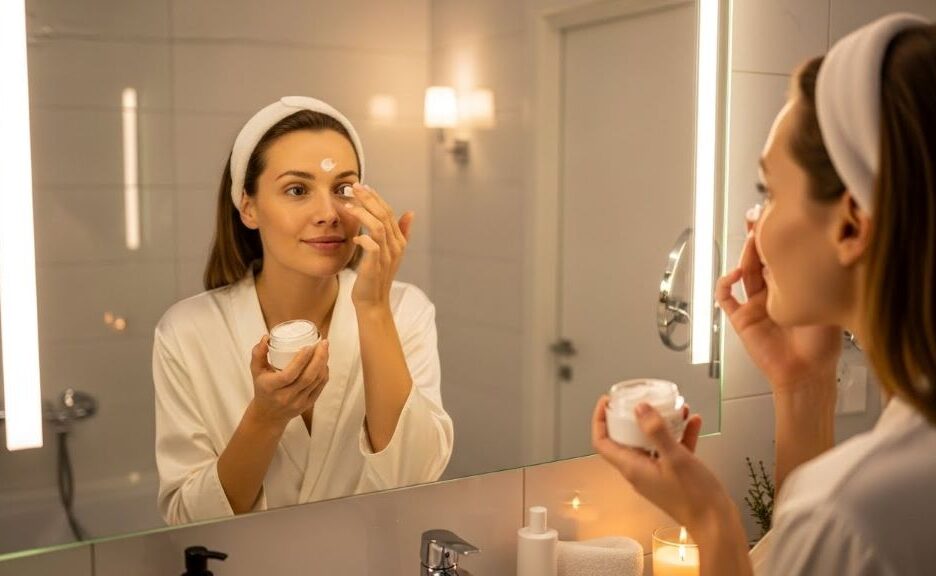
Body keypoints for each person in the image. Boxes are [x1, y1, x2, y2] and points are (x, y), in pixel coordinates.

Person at [592, 14, 936, 575]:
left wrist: (710, 520)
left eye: (768, 192)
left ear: (851, 226)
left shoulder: (852, 515)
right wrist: (804, 386)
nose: (754, 223)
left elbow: (837, 521)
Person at [154, 97, 453, 525]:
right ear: (249, 206)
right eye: (297, 190)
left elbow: (417, 476)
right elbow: (187, 520)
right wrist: (266, 417)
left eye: (344, 189)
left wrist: (372, 309)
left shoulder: (405, 311)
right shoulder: (187, 332)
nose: (328, 214)